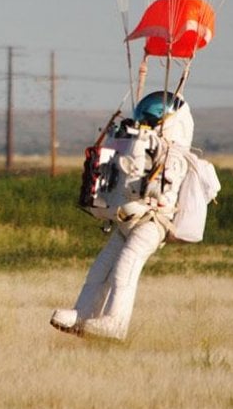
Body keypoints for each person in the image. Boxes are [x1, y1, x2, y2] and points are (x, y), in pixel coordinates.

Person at [50, 90, 195, 340]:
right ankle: (84, 313)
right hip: (126, 221)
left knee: (126, 267)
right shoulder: (141, 144)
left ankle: (116, 323)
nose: (145, 124)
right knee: (100, 270)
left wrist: (143, 154)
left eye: (151, 120)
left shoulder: (174, 156)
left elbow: (155, 189)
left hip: (151, 223)